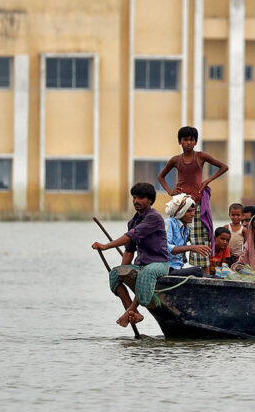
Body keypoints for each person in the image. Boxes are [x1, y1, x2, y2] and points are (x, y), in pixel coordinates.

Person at [91, 182, 172, 327]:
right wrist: (122, 272)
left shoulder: (154, 217)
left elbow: (131, 236)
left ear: (150, 200)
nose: (136, 201)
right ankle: (133, 313)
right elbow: (129, 250)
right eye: (134, 198)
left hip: (159, 264)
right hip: (141, 265)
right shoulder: (133, 222)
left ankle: (130, 311)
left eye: (141, 198)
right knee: (115, 274)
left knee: (147, 272)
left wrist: (106, 246)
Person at [158, 126, 228, 274]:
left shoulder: (201, 156)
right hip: (180, 205)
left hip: (196, 204)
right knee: (176, 238)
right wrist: (170, 191)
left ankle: (205, 276)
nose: (188, 143)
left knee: (200, 239)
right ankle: (173, 270)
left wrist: (206, 181)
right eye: (185, 140)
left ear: (195, 142)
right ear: (180, 142)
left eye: (191, 140)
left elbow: (223, 167)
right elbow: (161, 176)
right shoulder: (176, 160)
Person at [163, 194, 212, 277]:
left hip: (178, 268)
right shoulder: (169, 222)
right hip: (168, 268)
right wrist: (192, 247)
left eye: (193, 211)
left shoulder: (185, 228)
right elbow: (167, 248)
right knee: (197, 270)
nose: (192, 214)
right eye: (189, 211)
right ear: (180, 212)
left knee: (214, 277)